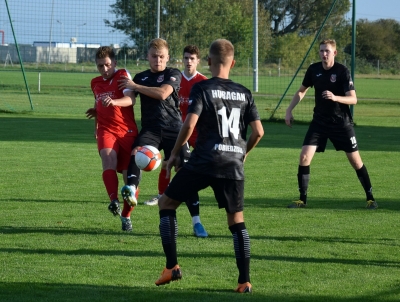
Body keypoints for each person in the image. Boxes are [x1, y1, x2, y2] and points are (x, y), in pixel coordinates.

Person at [153, 39, 264, 293]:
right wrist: (243, 152)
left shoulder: (202, 88)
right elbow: (258, 131)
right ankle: (244, 281)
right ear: (233, 63)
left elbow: (190, 124)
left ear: (210, 62)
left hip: (204, 160)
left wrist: (172, 157)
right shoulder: (245, 92)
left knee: (166, 203)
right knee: (237, 222)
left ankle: (172, 267)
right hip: (233, 164)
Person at [285, 39, 377, 209]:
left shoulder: (342, 71)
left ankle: (370, 198)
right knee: (304, 157)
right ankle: (302, 200)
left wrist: (335, 98)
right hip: (319, 122)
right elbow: (301, 91)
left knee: (356, 161)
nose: (323, 54)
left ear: (334, 53)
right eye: (321, 51)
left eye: (327, 51)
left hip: (341, 123)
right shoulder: (314, 70)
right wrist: (289, 110)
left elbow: (353, 99)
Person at [117, 38, 189, 217]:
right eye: (154, 56)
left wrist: (136, 86)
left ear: (168, 57)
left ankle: (194, 215)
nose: (158, 60)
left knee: (185, 165)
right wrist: (108, 105)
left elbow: (163, 93)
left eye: (161, 56)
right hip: (151, 129)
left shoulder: (173, 73)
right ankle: (131, 189)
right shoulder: (140, 76)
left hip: (174, 128)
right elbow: (130, 99)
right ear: (147, 57)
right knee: (136, 152)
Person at [143, 44, 209, 238]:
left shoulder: (204, 82)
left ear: (198, 61)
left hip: (199, 134)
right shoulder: (176, 78)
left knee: (191, 173)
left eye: (192, 58)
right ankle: (164, 197)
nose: (188, 61)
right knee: (172, 165)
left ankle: (194, 218)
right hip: (178, 133)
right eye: (186, 58)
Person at [86, 46, 139, 232]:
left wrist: (114, 102)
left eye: (108, 65)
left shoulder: (123, 75)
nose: (104, 69)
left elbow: (131, 99)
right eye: (100, 66)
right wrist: (96, 124)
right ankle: (113, 200)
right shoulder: (95, 83)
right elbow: (98, 104)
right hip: (106, 131)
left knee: (130, 181)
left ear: (115, 63)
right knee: (107, 159)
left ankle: (126, 216)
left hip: (127, 132)